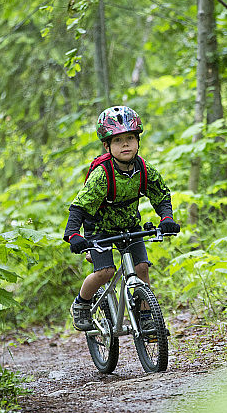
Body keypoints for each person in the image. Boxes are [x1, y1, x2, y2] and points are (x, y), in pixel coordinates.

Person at [63, 105, 180, 331]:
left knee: (142, 267)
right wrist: (73, 234)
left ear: (138, 141)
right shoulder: (102, 174)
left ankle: (146, 317)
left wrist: (166, 218)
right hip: (99, 229)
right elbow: (79, 206)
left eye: (130, 138)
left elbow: (161, 194)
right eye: (117, 140)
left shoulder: (143, 169)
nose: (125, 144)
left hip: (129, 225)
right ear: (107, 146)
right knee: (105, 272)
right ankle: (82, 304)